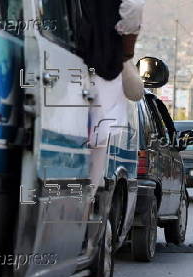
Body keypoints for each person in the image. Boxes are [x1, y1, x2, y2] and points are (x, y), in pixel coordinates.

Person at [77, 0, 145, 187]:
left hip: (60, 55)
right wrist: (126, 52)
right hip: (102, 68)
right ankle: (86, 204)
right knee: (97, 143)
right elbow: (134, 6)